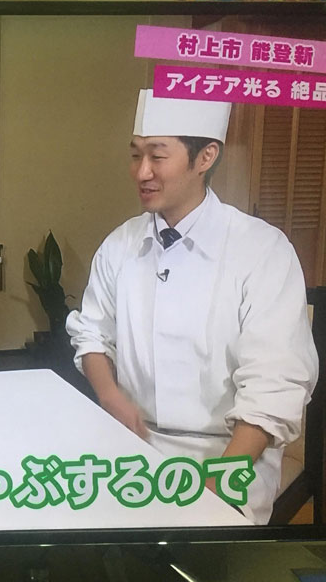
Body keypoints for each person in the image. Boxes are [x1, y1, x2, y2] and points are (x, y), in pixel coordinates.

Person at [66, 89, 318, 524]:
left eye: (157, 156)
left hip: (229, 454)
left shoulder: (262, 250)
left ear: (205, 157)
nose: (142, 172)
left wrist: (217, 483)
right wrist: (110, 396)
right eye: (135, 155)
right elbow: (91, 332)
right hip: (133, 445)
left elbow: (275, 385)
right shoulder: (120, 244)